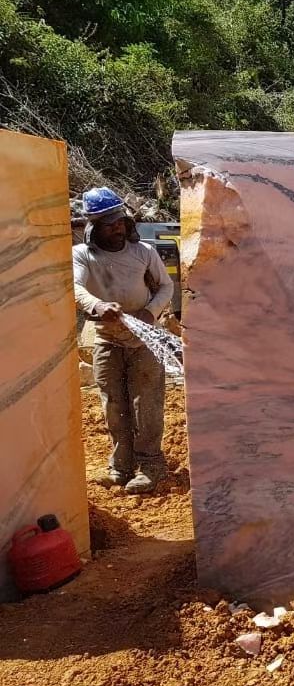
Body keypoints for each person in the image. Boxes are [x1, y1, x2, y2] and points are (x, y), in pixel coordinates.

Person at [72, 187, 174, 494]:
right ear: (93, 227)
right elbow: (75, 288)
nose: (116, 228)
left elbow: (166, 287)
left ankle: (151, 466)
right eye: (108, 224)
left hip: (144, 341)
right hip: (107, 339)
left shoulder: (144, 252)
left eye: (119, 221)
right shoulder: (83, 255)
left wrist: (149, 312)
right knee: (114, 405)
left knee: (147, 405)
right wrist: (98, 306)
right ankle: (121, 467)